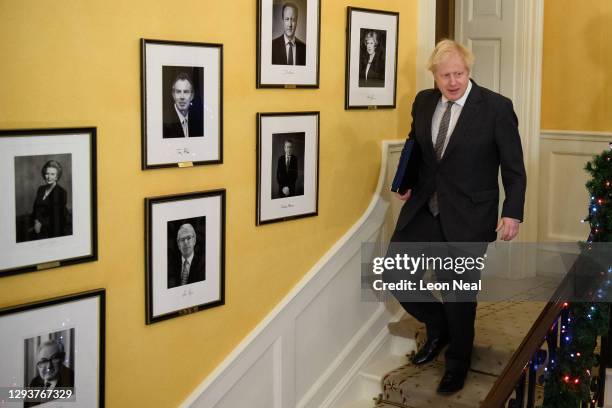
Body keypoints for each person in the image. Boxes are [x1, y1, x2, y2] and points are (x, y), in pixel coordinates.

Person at [384, 39, 526, 395]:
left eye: (458, 74)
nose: (452, 82)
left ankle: (457, 364)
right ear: (434, 76)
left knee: (459, 293)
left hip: (469, 215)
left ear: (468, 70)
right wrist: (406, 181)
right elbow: (416, 145)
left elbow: (513, 168)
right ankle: (439, 326)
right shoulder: (423, 102)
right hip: (424, 209)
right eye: (445, 75)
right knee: (395, 274)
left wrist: (512, 213)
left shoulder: (495, 108)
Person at [25, 339, 74, 407]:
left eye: (54, 359)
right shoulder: (34, 382)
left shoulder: (72, 381)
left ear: (62, 358)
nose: (49, 366)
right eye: (43, 361)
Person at [29, 160, 69, 240]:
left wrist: (40, 223)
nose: (49, 177)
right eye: (47, 173)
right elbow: (35, 208)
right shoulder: (41, 189)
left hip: (53, 230)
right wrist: (36, 221)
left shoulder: (61, 192)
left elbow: (55, 216)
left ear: (57, 176)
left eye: (52, 174)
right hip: (37, 226)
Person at [162, 73, 204, 138]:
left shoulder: (198, 121)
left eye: (186, 92)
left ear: (192, 96)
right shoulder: (164, 121)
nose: (182, 97)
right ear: (173, 95)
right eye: (178, 92)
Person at [168, 223, 206, 288]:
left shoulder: (203, 264)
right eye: (182, 239)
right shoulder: (171, 265)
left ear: (194, 240)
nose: (185, 242)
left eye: (189, 238)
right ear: (178, 244)